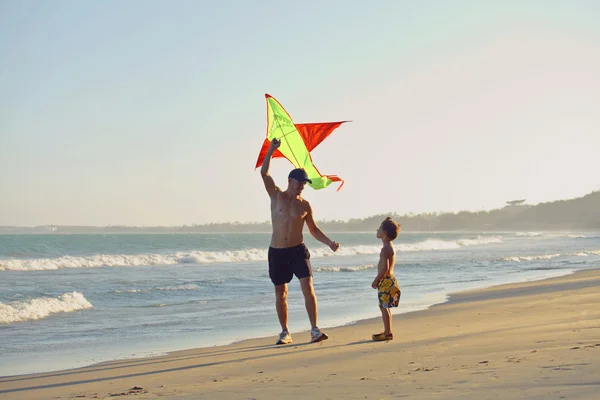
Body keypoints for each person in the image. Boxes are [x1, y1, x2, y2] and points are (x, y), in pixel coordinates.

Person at [260, 138, 340, 345]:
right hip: (277, 252)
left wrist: (329, 242)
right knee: (281, 292)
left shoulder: (305, 205)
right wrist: (271, 149)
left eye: (305, 184)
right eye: (300, 183)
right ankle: (285, 332)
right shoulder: (276, 196)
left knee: (308, 287)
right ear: (290, 181)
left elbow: (313, 230)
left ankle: (314, 329)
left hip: (297, 251)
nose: (303, 186)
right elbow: (264, 173)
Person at [371, 217, 401, 341]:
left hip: (385, 281)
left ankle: (388, 332)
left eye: (379, 228)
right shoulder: (391, 246)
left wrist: (376, 280)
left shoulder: (385, 249)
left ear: (385, 233)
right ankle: (388, 331)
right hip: (391, 280)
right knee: (385, 307)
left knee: (383, 307)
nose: (377, 230)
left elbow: (384, 268)